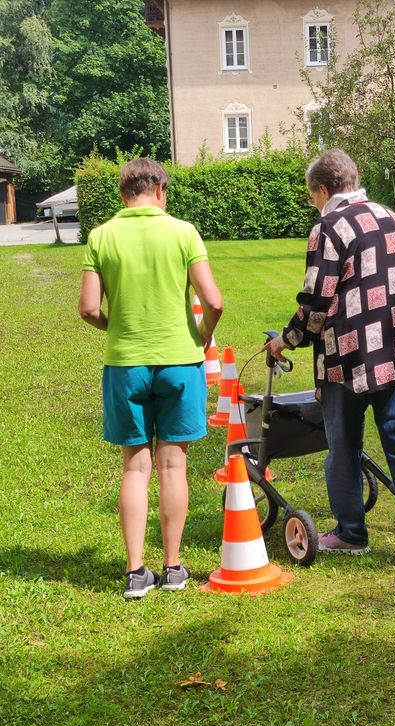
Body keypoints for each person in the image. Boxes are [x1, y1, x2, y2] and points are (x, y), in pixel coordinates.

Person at [265, 149, 395, 565]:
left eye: (313, 195)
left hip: (349, 359)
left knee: (342, 449)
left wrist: (286, 340)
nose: (314, 202)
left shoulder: (328, 228)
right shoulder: (391, 217)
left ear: (323, 190)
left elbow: (317, 302)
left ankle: (350, 534)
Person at [79, 157, 223, 598]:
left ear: (122, 193)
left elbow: (88, 308)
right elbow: (214, 301)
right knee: (173, 465)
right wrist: (203, 333)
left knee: (135, 467)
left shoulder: (101, 236)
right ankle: (173, 567)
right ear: (160, 189)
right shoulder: (183, 232)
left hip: (126, 364)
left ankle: (136, 572)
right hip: (180, 361)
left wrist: (116, 328)